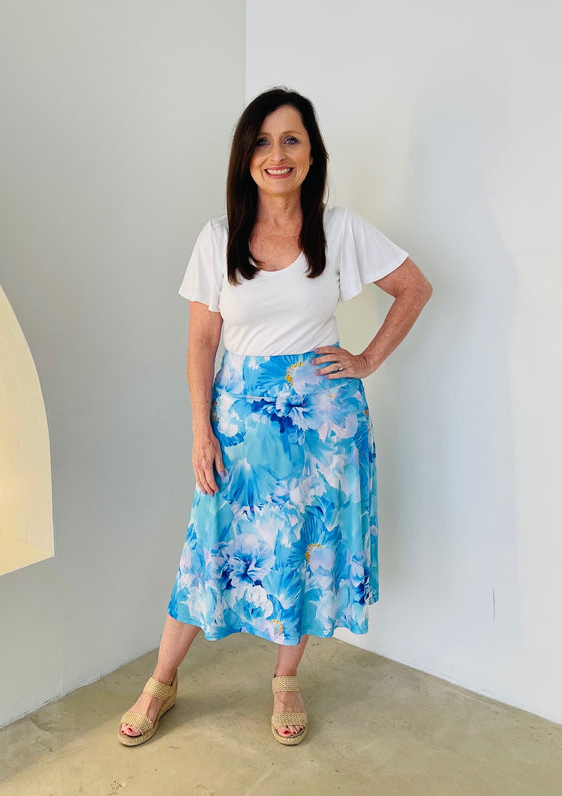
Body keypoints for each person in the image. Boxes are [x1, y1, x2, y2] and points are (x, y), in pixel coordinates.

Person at [118, 88, 432, 747]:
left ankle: (285, 679)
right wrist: (201, 431)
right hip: (240, 423)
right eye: (262, 141)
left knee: (308, 551)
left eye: (291, 139)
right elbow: (202, 342)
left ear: (312, 153)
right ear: (245, 157)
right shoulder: (218, 238)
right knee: (210, 546)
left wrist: (369, 358)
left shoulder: (340, 230)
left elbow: (414, 287)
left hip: (324, 424)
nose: (277, 154)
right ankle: (163, 681)